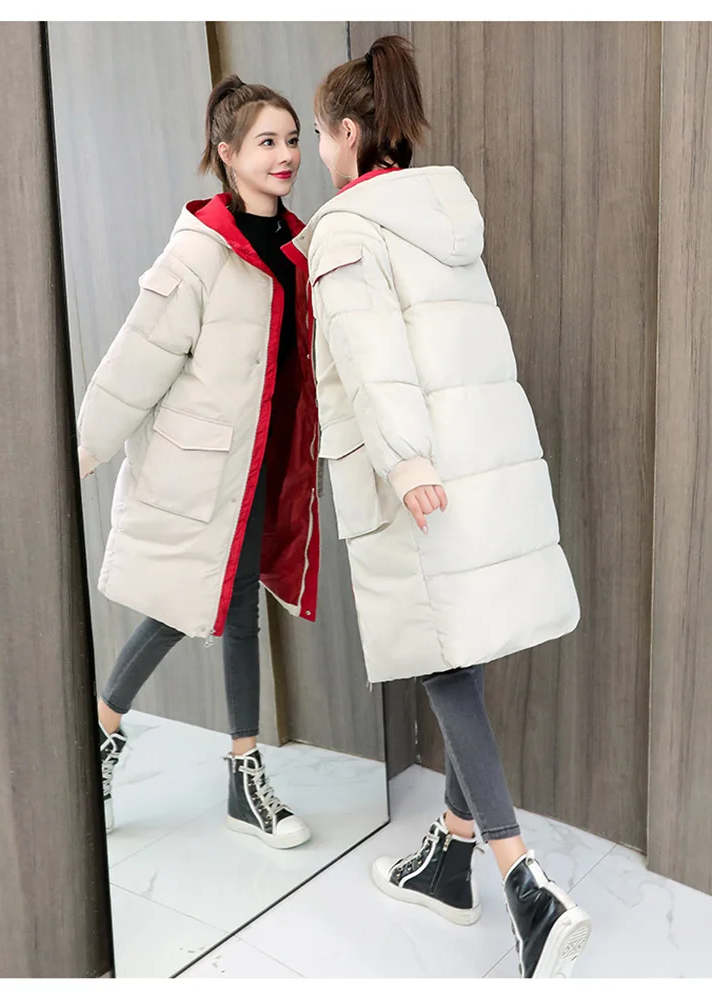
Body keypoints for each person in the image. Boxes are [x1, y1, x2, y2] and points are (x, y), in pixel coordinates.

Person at [284, 35, 591, 979]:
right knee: (462, 646)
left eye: (320, 136)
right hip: (479, 461)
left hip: (415, 470)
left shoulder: (346, 229)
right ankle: (450, 862)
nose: (317, 155)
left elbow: (373, 355)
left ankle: (525, 888)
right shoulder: (440, 215)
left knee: (444, 664)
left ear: (347, 133)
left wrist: (405, 459)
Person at [76, 75, 320, 849]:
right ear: (227, 153)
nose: (286, 155)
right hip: (205, 469)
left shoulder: (301, 245)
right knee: (190, 605)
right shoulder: (200, 252)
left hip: (265, 467)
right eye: (267, 142)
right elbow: (138, 357)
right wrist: (82, 449)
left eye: (292, 139)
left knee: (235, 608)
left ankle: (237, 769)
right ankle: (106, 730)